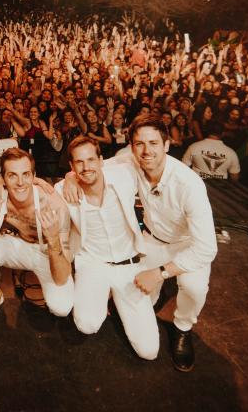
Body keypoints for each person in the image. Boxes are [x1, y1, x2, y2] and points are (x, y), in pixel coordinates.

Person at [125, 114, 217, 372]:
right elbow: (94, 167)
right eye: (139, 144)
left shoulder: (189, 185)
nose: (146, 151)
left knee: (194, 288)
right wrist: (66, 180)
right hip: (152, 240)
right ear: (132, 146)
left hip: (188, 245)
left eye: (153, 143)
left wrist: (161, 272)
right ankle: (156, 300)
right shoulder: (131, 161)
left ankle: (182, 327)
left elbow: (207, 248)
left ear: (166, 145)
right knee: (136, 290)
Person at [56, 136, 158, 361]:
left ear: (102, 160)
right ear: (71, 166)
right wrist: (69, 179)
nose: (86, 167)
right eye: (78, 163)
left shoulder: (123, 175)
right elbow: (36, 187)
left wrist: (71, 176)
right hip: (94, 264)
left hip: (129, 265)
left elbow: (144, 155)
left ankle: (117, 298)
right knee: (87, 324)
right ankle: (104, 296)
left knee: (149, 352)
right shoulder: (63, 190)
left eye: (91, 159)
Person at [0, 148, 73, 329]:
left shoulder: (53, 205)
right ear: (3, 178)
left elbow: (63, 277)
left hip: (47, 253)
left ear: (33, 176)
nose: (20, 183)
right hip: (17, 245)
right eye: (12, 176)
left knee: (62, 308)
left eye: (25, 174)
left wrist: (54, 239)